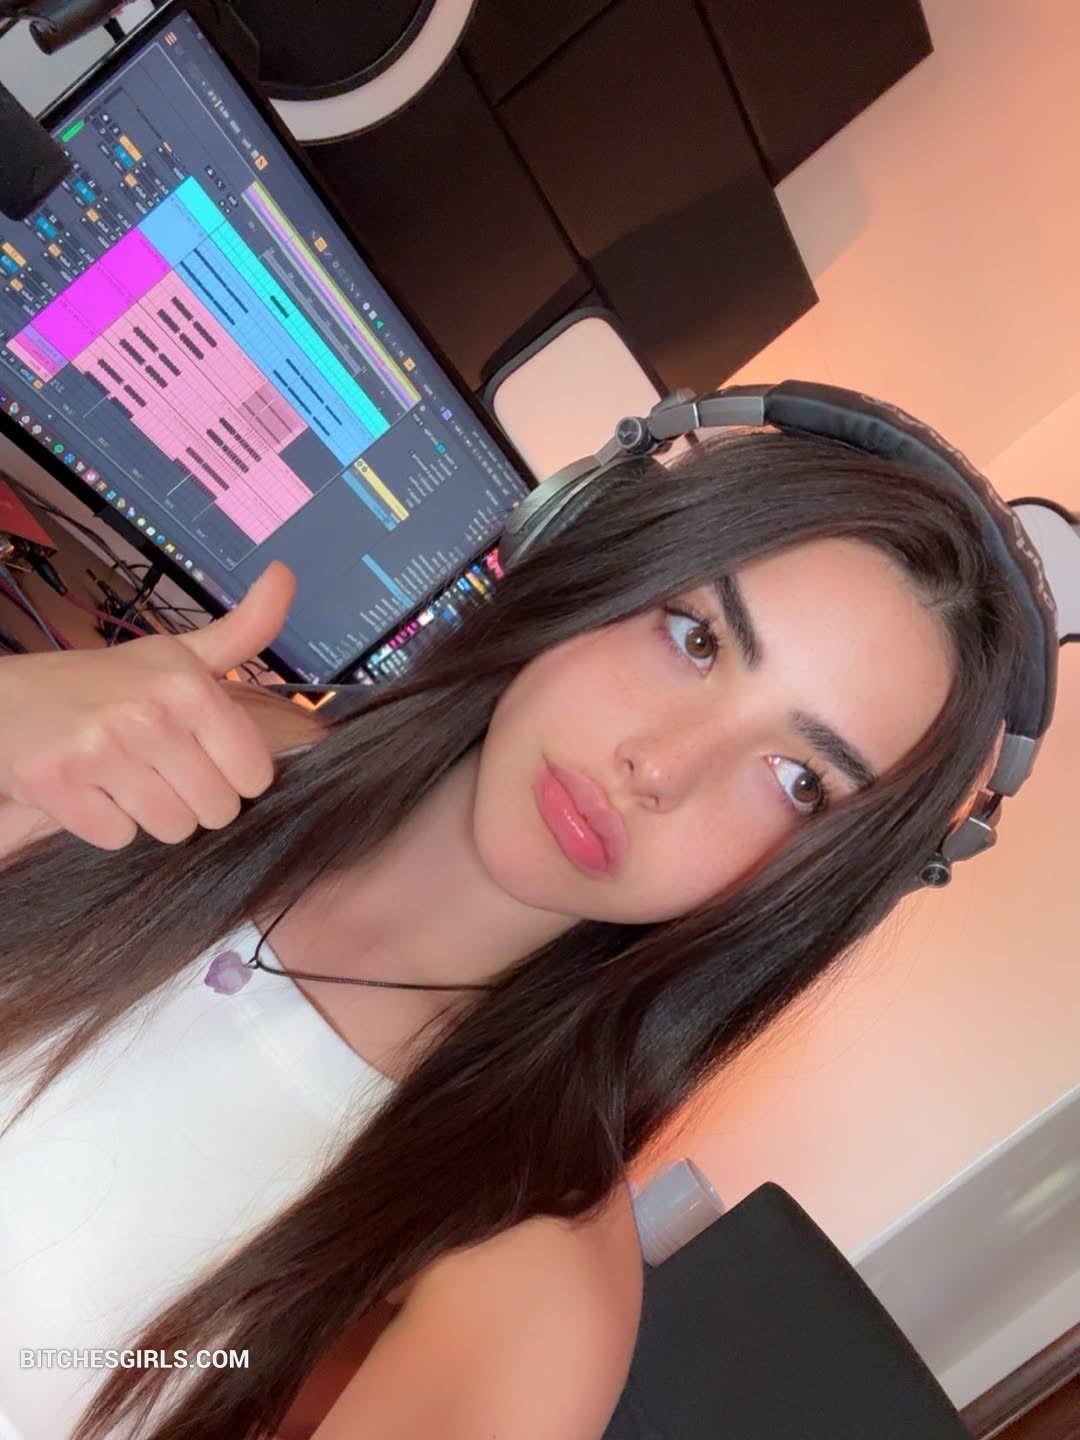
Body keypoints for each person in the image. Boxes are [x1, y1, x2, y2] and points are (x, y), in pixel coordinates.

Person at [0, 419, 1024, 1440]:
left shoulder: (538, 1285)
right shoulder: (189, 752)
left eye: (799, 780)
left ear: (807, 886)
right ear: (591, 555)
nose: (659, 767)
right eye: (697, 638)